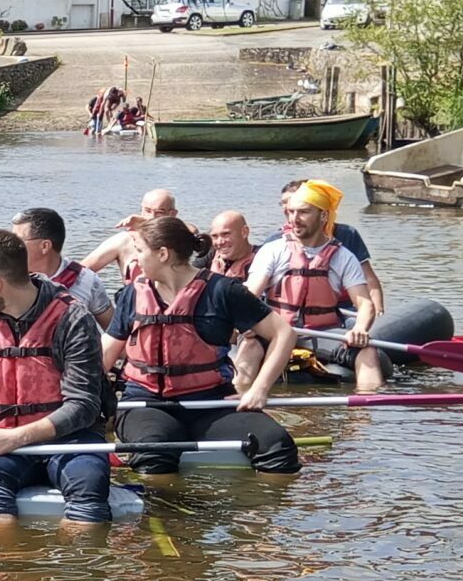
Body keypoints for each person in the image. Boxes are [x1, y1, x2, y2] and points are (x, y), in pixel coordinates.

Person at [103, 216, 301, 476]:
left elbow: (283, 334)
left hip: (211, 403)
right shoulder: (133, 295)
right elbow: (103, 356)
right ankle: (170, 513)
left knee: (277, 446)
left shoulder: (223, 291)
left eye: (139, 251)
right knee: (154, 454)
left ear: (162, 254)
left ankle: (255, 514)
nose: (135, 259)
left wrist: (259, 389)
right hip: (147, 404)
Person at [0, 229, 112, 528]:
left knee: (89, 501)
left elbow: (84, 405)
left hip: (70, 441)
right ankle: (5, 570)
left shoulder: (74, 318)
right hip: (3, 442)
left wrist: (18, 437)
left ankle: (72, 571)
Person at [243, 180, 387, 392]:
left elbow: (364, 303)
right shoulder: (273, 250)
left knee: (367, 351)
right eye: (291, 212)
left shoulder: (343, 257)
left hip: (323, 332)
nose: (294, 219)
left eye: (303, 212)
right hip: (276, 330)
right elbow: (251, 293)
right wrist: (246, 321)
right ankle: (238, 403)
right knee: (250, 345)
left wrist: (360, 328)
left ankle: (363, 417)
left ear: (323, 216)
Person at [274, 178, 385, 308]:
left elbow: (368, 279)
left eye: (301, 208)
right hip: (288, 311)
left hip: (342, 308)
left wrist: (378, 310)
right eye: (284, 203)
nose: (287, 208)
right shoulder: (275, 243)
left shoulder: (346, 235)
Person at [10, 208, 114, 329]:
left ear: (45, 246)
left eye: (17, 241)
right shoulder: (5, 279)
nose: (11, 247)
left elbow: (115, 332)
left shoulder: (86, 280)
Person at [81, 188, 180, 281]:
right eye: (147, 211)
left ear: (172, 213)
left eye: (159, 212)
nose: (151, 217)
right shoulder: (124, 240)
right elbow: (81, 270)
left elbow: (193, 232)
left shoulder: (181, 237)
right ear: (141, 210)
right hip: (135, 296)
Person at [201, 210, 256, 279]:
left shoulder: (263, 258)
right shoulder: (210, 255)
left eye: (226, 234)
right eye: (215, 236)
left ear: (244, 232)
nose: (220, 242)